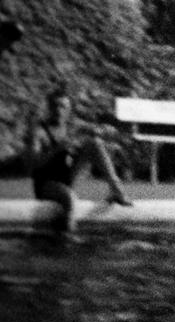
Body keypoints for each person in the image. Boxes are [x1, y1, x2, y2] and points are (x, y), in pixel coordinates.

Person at [25, 88, 132, 233]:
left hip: (66, 177)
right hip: (46, 184)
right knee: (69, 198)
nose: (59, 110)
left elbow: (98, 130)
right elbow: (32, 165)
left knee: (95, 143)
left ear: (68, 109)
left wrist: (102, 130)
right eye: (55, 106)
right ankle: (68, 239)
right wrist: (57, 149)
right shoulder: (39, 132)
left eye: (63, 106)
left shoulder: (72, 127)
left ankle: (117, 191)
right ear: (49, 107)